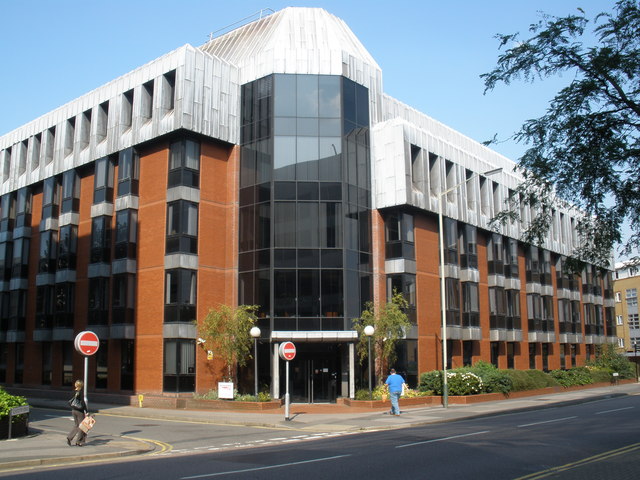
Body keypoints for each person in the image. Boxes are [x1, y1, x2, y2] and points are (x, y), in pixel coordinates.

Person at [66, 380, 88, 446]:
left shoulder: (73, 392)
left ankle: (69, 438)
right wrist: (86, 411)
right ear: (81, 385)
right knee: (83, 426)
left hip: (73, 410)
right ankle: (79, 441)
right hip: (79, 411)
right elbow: (83, 403)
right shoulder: (80, 392)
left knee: (76, 425)